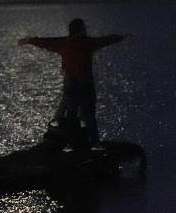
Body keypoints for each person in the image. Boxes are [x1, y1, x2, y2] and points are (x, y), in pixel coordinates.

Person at [18, 18, 125, 146]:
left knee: (71, 115)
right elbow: (106, 40)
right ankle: (94, 144)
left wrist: (30, 40)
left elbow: (46, 42)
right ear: (81, 30)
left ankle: (70, 144)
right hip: (85, 85)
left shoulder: (64, 43)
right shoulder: (87, 43)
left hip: (71, 85)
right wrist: (122, 37)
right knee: (89, 116)